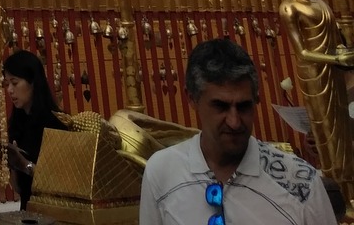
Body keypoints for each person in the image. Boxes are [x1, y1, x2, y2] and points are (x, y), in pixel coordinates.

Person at [139, 37, 335, 225]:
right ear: (192, 98)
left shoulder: (300, 181)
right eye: (220, 106)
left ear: (256, 100)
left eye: (243, 107)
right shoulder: (162, 171)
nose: (234, 122)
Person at [280, 0, 354, 209]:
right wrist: (334, 60)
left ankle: (350, 191)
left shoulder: (322, 3)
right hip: (315, 74)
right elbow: (302, 51)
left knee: (343, 133)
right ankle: (339, 197)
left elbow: (340, 40)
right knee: (326, 136)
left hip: (335, 74)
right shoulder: (289, 7)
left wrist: (343, 54)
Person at [2, 49, 66, 208]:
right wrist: (14, 164)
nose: (10, 90)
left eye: (15, 83)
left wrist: (25, 165)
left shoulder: (55, 123)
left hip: (52, 212)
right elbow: (18, 188)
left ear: (32, 82)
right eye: (7, 84)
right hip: (27, 209)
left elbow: (61, 183)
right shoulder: (18, 124)